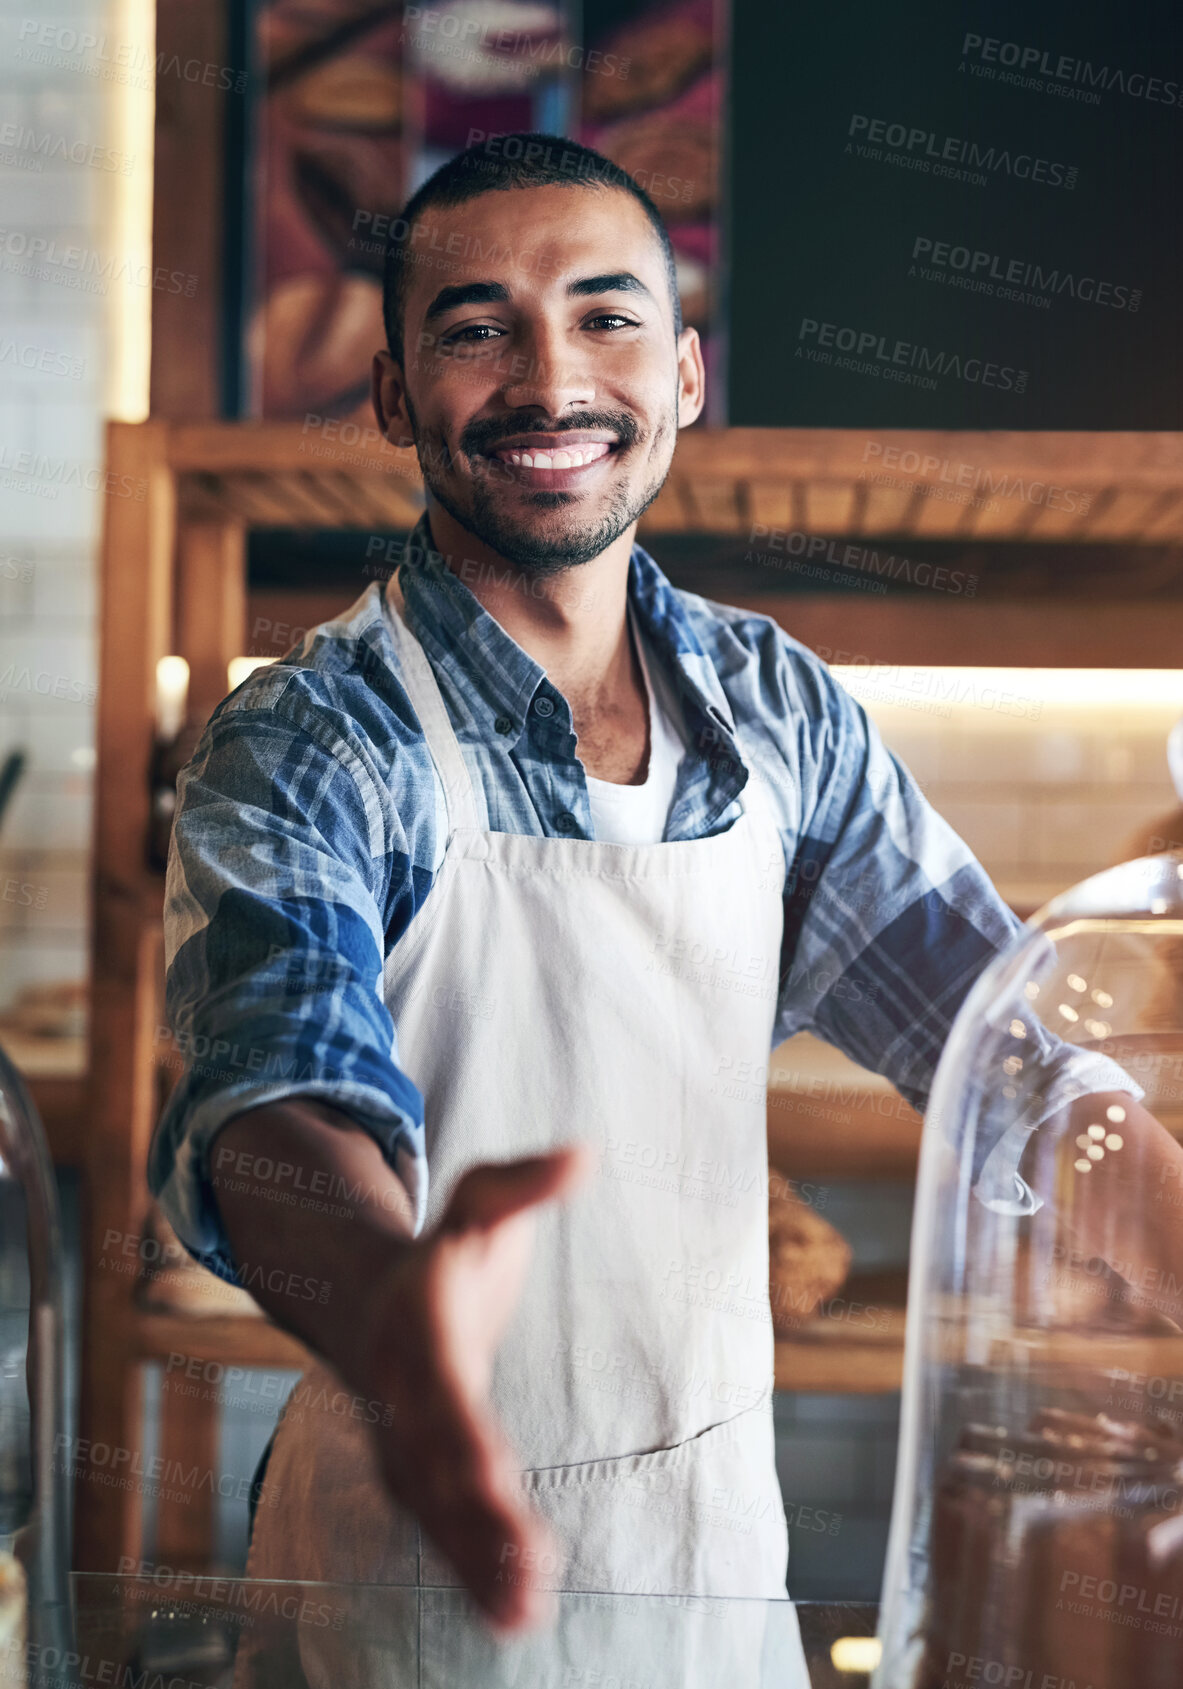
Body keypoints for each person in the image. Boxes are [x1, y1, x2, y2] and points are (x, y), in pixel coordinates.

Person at [148, 133, 1183, 1650]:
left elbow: (1003, 1046)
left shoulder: (780, 712)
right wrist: (399, 1326)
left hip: (713, 1572)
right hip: (406, 1575)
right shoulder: (315, 738)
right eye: (476, 326)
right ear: (391, 396)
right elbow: (274, 1092)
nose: (550, 378)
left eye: (606, 315)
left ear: (687, 375)